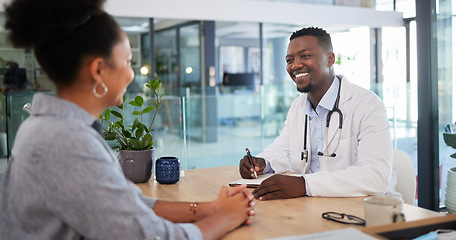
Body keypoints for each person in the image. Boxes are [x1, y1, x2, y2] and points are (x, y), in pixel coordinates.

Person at [0, 0, 255, 239]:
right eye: (128, 61)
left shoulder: (45, 125)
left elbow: (124, 204)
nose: (132, 74)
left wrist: (208, 209)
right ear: (98, 70)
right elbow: (147, 235)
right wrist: (227, 217)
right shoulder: (66, 141)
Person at [239, 27, 394, 201]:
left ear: (330, 59)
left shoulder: (367, 105)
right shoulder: (298, 107)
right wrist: (262, 162)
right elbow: (282, 149)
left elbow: (376, 177)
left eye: (305, 56)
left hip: (360, 209)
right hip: (311, 207)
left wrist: (305, 184)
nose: (295, 65)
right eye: (290, 60)